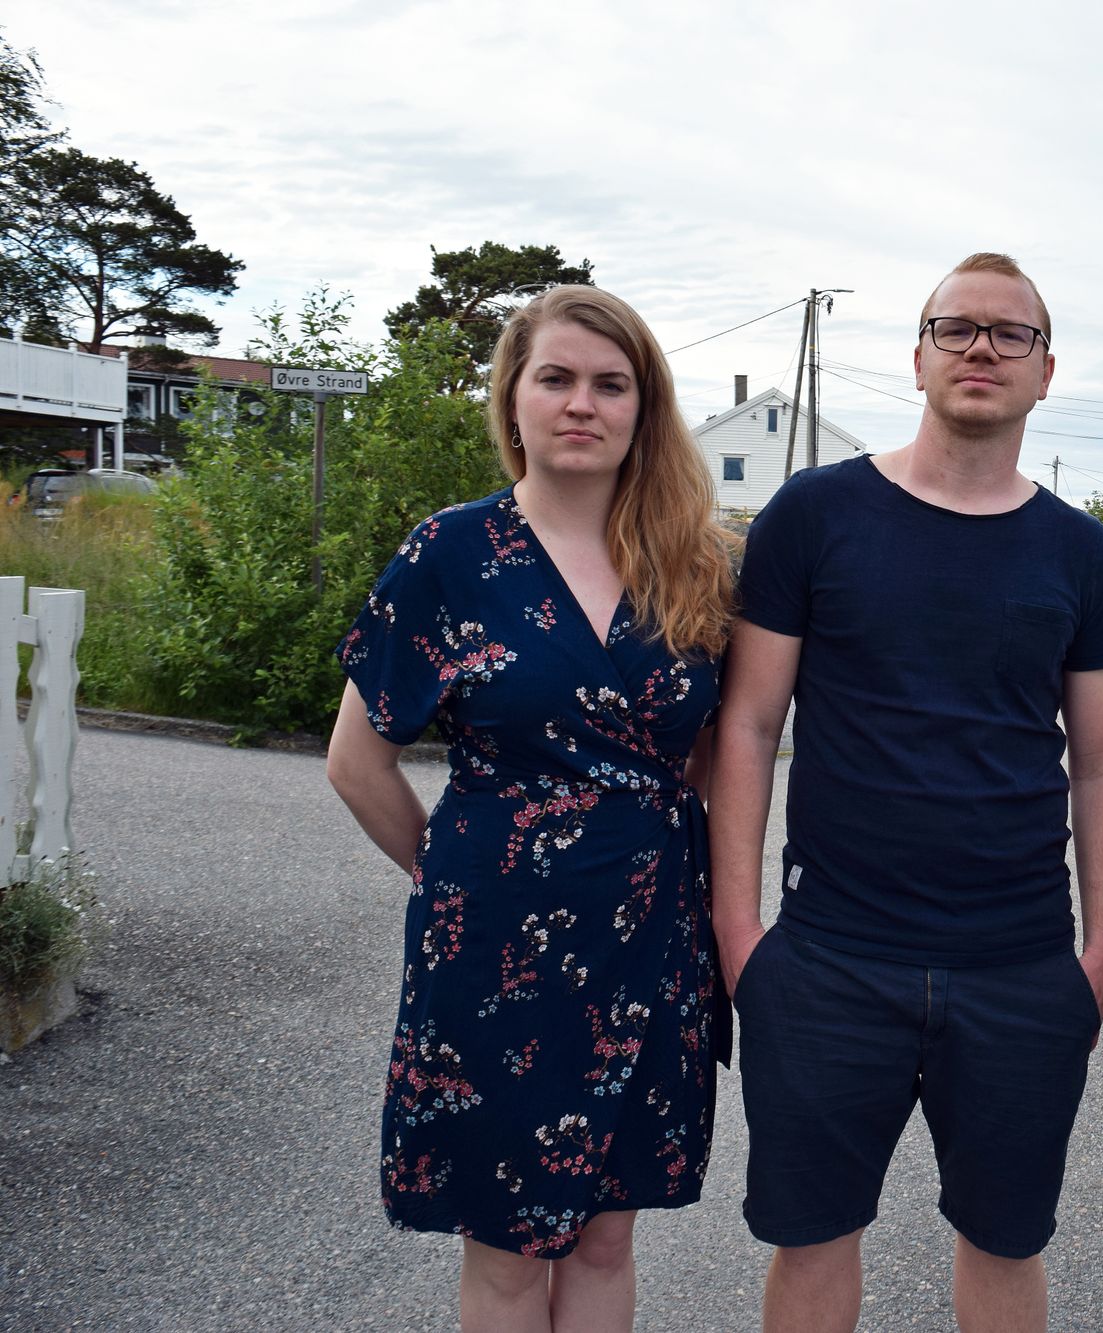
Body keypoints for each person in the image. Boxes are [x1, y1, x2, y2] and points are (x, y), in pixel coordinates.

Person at [710, 252, 1103, 1333]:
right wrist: (740, 931)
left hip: (1020, 967)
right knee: (811, 1244)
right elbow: (751, 723)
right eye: (956, 328)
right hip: (827, 961)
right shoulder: (812, 517)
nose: (982, 347)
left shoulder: (1078, 553)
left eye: (1010, 333)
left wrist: (1097, 954)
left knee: (1004, 1243)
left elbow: (1099, 761)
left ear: (1046, 372)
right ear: (916, 358)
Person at [326, 285, 735, 1330]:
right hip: (495, 947)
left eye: (611, 384)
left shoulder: (691, 562)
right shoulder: (450, 556)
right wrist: (454, 873)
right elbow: (355, 760)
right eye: (555, 378)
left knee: (605, 1235)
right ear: (512, 401)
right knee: (508, 1245)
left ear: (644, 409)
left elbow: (719, 757)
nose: (580, 404)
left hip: (652, 938)